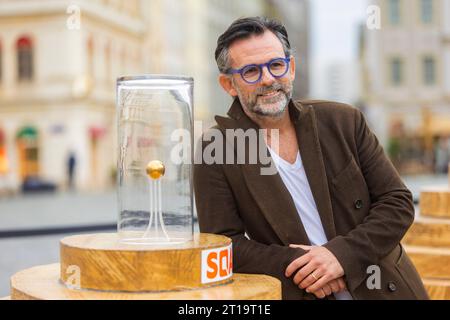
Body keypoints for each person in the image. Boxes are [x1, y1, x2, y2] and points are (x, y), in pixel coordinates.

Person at [193, 17, 429, 300]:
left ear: (290, 68)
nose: (268, 79)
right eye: (251, 71)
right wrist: (309, 269)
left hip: (385, 289)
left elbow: (397, 202)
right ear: (229, 84)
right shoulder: (216, 149)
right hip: (302, 293)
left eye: (276, 65)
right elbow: (222, 246)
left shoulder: (343, 121)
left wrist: (340, 256)